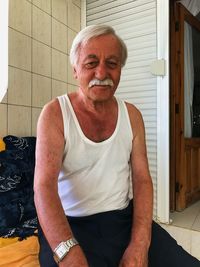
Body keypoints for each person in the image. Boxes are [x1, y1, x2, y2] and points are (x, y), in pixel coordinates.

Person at [34, 24, 200, 267]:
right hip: (69, 224)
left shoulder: (132, 115)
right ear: (75, 70)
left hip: (122, 220)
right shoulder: (55, 114)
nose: (102, 72)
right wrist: (67, 251)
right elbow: (44, 186)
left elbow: (142, 179)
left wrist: (140, 243)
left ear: (120, 69)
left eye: (112, 63)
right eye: (91, 63)